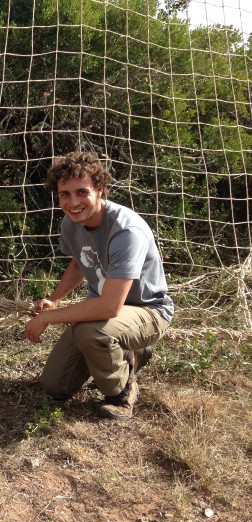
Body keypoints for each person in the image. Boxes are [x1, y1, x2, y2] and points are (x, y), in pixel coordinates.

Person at [24, 151, 173, 420]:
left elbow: (109, 306)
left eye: (82, 192)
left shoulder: (126, 231)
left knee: (92, 332)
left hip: (147, 311)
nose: (73, 202)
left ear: (100, 190)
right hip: (105, 312)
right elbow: (79, 263)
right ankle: (120, 352)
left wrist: (49, 317)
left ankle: (122, 390)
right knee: (53, 386)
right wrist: (55, 299)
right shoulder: (71, 223)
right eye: (65, 194)